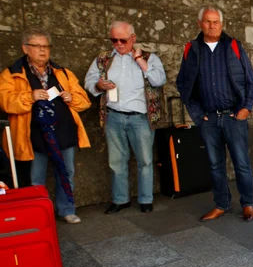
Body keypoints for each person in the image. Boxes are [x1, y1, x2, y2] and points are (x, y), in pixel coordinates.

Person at [176, 6, 253, 222]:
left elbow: (251, 82)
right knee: (215, 165)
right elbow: (183, 84)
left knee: (241, 162)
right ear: (199, 23)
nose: (212, 26)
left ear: (221, 25)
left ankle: (247, 204)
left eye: (216, 22)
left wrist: (245, 109)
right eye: (207, 21)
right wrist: (196, 113)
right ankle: (221, 204)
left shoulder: (233, 47)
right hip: (209, 119)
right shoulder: (192, 50)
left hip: (234, 117)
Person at [0, 29, 92, 224]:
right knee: (36, 178)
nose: (43, 51)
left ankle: (67, 210)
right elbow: (5, 101)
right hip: (33, 135)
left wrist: (71, 97)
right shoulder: (12, 74)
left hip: (63, 132)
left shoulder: (62, 73)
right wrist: (29, 97)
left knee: (66, 173)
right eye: (37, 46)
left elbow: (84, 101)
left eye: (46, 46)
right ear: (26, 48)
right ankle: (38, 214)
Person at [84, 21, 167, 214]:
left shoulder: (149, 57)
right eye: (114, 40)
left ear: (133, 38)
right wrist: (98, 86)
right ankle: (120, 200)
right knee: (116, 161)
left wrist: (141, 61)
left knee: (145, 160)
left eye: (123, 39)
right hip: (113, 116)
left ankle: (146, 199)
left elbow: (159, 80)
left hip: (140, 118)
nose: (119, 44)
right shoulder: (104, 58)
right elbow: (89, 81)